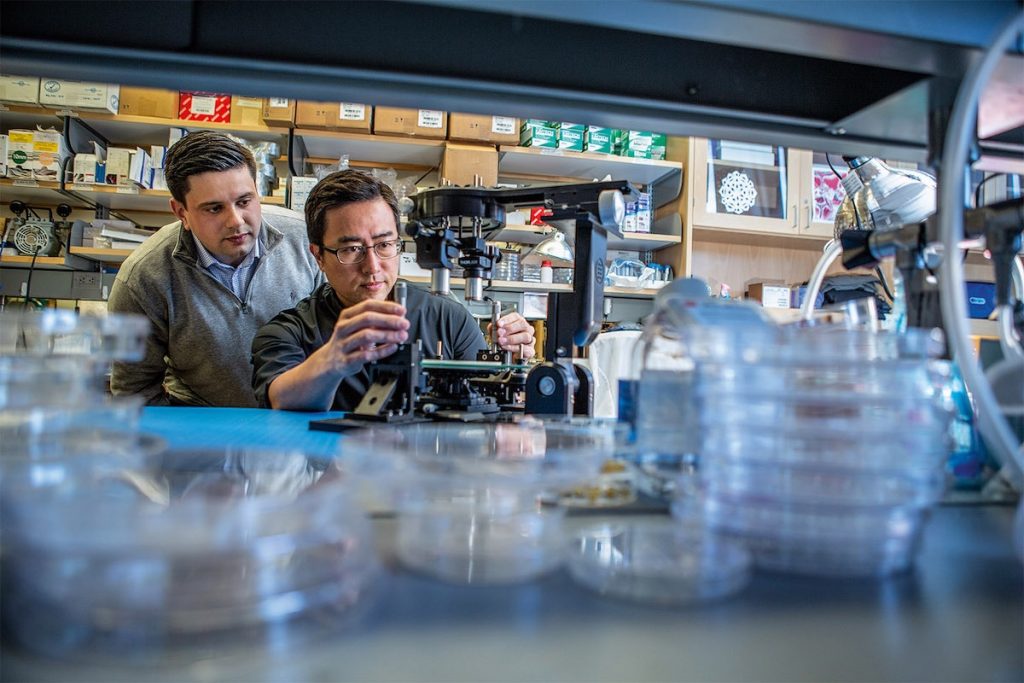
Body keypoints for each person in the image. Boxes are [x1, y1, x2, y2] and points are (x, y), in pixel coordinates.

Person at [251, 169, 536, 412]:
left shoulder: (448, 319)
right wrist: (331, 362)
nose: (372, 266)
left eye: (385, 244)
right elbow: (280, 397)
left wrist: (517, 358)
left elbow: (491, 401)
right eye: (351, 249)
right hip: (330, 471)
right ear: (318, 256)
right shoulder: (288, 331)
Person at [108, 131, 322, 406]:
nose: (235, 221)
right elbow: (134, 392)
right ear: (181, 212)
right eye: (214, 209)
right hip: (202, 425)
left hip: (294, 416)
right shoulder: (143, 278)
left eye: (245, 201)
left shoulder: (305, 240)